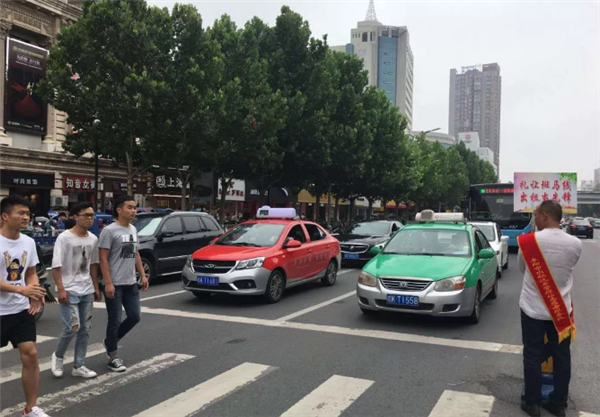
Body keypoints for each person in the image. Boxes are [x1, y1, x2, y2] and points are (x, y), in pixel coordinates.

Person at [518, 200, 582, 417]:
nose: (535, 219)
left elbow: (522, 269)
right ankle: (558, 403)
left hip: (532, 309)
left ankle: (532, 403)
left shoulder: (528, 241)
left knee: (532, 355)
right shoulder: (575, 244)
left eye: (536, 215)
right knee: (562, 357)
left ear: (544, 215)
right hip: (560, 311)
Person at [0, 196, 49, 417]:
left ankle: (31, 408)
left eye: (28, 213)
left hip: (20, 310)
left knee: (30, 354)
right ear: (4, 216)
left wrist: (35, 293)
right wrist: (21, 290)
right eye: (20, 213)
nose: (26, 217)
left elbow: (30, 273)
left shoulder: (28, 242)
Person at [51, 202, 102, 379]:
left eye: (92, 215)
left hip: (86, 288)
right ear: (75, 217)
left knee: (85, 329)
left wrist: (96, 287)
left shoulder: (93, 239)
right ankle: (58, 356)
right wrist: (60, 289)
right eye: (86, 215)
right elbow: (56, 265)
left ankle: (79, 365)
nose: (90, 218)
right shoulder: (64, 238)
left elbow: (93, 265)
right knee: (72, 327)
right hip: (69, 289)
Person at [98, 195, 149, 372]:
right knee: (114, 320)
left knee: (135, 316)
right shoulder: (109, 231)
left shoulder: (133, 229)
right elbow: (103, 258)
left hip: (130, 282)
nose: (133, 210)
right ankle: (112, 356)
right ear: (119, 210)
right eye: (129, 207)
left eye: (134, 207)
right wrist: (108, 283)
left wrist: (142, 275)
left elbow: (135, 253)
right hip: (115, 283)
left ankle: (110, 341)